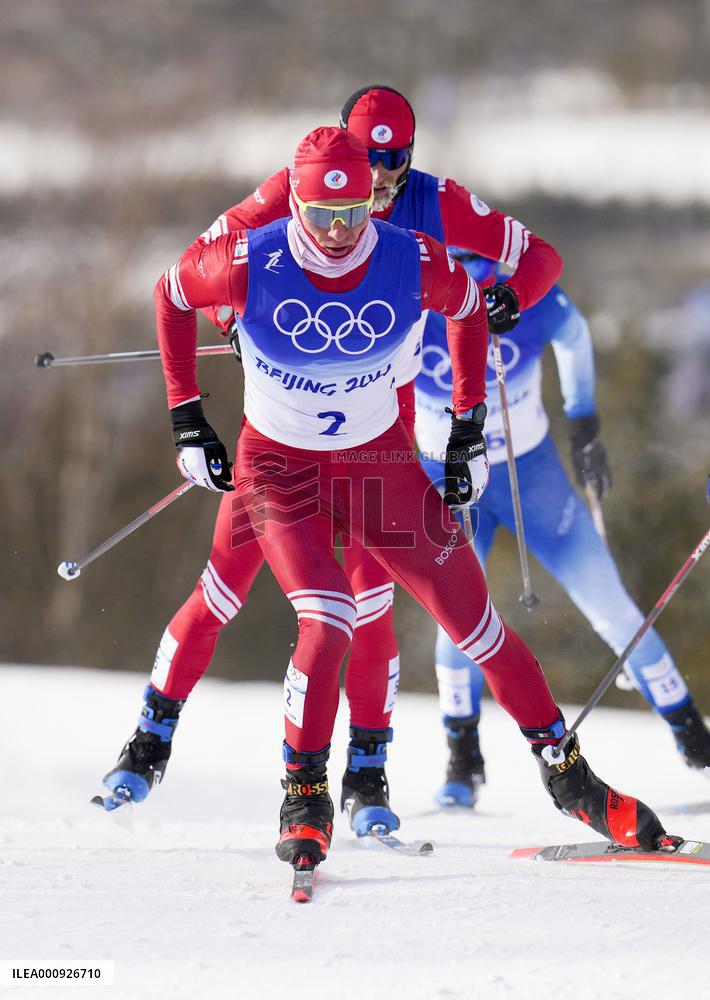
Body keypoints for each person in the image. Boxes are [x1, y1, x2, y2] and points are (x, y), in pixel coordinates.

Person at [148, 124, 668, 869]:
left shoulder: (409, 256)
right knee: (329, 617)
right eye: (320, 214)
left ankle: (570, 778)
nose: (337, 231)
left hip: (380, 465)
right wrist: (186, 418)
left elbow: (469, 308)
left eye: (352, 212)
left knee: (477, 625)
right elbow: (170, 293)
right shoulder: (247, 260)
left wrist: (466, 429)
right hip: (278, 473)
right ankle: (305, 796)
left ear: (372, 201)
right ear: (294, 202)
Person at [99, 86, 562, 836]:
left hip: (384, 433)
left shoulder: (435, 202)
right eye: (366, 158)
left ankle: (367, 774)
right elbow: (193, 274)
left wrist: (505, 302)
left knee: (368, 604)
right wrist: (235, 322)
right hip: (286, 439)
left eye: (393, 160)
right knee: (227, 588)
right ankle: (150, 740)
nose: (376, 180)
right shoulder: (291, 192)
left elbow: (537, 259)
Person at [415, 252, 710, 808]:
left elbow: (573, 333)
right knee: (455, 620)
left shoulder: (523, 298)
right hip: (447, 477)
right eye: (459, 261)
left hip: (532, 476)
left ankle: (693, 736)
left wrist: (583, 422)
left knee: (610, 604)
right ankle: (463, 760)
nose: (474, 278)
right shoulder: (414, 299)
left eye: (482, 264)